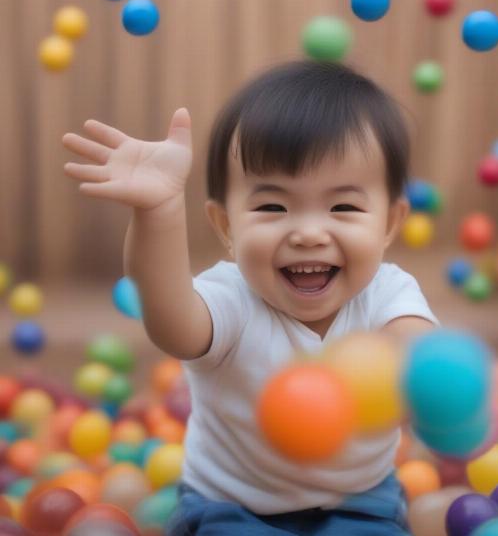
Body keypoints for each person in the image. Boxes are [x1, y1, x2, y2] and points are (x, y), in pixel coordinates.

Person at [63, 60, 438, 535]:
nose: (307, 233)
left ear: (388, 224)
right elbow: (171, 322)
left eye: (343, 207)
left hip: (360, 502)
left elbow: (417, 350)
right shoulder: (231, 299)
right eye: (272, 206)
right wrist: (157, 213)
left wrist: (420, 380)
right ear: (226, 227)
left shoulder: (390, 291)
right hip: (233, 506)